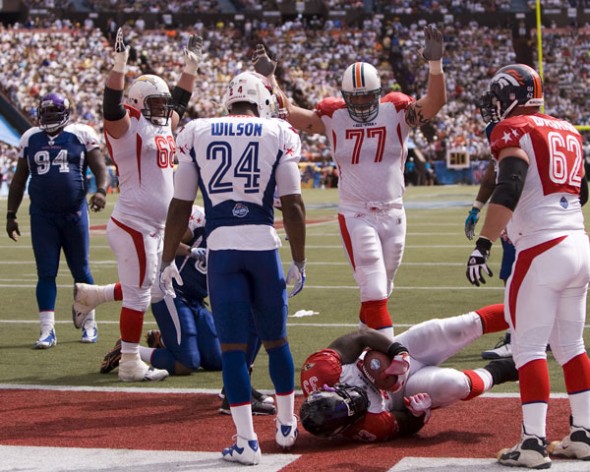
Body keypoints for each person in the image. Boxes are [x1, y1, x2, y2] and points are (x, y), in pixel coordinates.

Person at [256, 24, 446, 340]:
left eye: (365, 97)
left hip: (394, 212)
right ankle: (388, 361)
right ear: (345, 97)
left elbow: (435, 102)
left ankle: (366, 344)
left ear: (378, 93)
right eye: (353, 98)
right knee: (371, 284)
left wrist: (435, 65)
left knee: (382, 288)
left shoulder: (396, 109)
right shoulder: (334, 115)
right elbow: (288, 113)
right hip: (356, 213)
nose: (359, 104)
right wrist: (269, 79)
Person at [159, 71, 306, 465]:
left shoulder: (196, 130)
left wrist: (166, 258)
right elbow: (292, 204)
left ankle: (246, 442)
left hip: (222, 250)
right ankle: (288, 427)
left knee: (233, 351)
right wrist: (300, 260)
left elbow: (180, 205)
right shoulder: (279, 131)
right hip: (263, 246)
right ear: (262, 101)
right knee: (277, 342)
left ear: (228, 100)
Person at [466, 63, 590, 468]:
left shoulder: (513, 130)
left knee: (528, 347)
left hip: (541, 250)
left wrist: (484, 242)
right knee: (572, 346)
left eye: (498, 97)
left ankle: (533, 443)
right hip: (577, 242)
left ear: (512, 96)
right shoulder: (568, 129)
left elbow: (511, 180)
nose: (494, 106)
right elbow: (581, 190)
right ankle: (583, 434)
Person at [76, 205, 276, 415]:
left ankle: (164, 340)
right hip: (173, 294)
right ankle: (129, 350)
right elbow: (165, 244)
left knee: (218, 358)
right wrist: (190, 250)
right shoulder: (201, 219)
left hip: (197, 300)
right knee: (186, 363)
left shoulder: (239, 233)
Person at [96, 28, 201, 382]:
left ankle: (93, 298)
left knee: (150, 289)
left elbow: (181, 103)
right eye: (155, 104)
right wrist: (120, 64)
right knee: (140, 296)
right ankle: (129, 363)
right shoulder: (129, 126)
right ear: (139, 103)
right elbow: (110, 107)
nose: (163, 110)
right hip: (135, 223)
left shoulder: (161, 125)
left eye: (163, 104)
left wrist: (191, 69)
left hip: (153, 226)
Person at [299, 303, 519, 442]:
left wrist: (397, 351)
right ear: (343, 428)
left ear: (328, 389)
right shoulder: (369, 427)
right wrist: (418, 414)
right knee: (456, 384)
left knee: (460, 326)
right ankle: (503, 369)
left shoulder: (322, 371)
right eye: (350, 409)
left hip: (398, 353)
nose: (355, 399)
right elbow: (405, 425)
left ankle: (531, 311)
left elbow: (359, 337)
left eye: (343, 397)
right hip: (406, 391)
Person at [6, 91, 109, 348]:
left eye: (54, 112)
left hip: (74, 214)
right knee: (46, 273)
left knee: (81, 271)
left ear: (65, 113)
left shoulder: (81, 133)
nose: (49, 117)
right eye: (46, 113)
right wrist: (11, 214)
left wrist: (102, 190)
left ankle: (89, 323)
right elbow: (18, 181)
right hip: (42, 216)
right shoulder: (31, 138)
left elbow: (99, 168)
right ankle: (47, 330)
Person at [465, 158, 516, 360]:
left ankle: (516, 338)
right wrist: (476, 207)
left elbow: (510, 180)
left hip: (525, 213)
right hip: (560, 215)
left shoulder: (510, 130)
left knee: (514, 277)